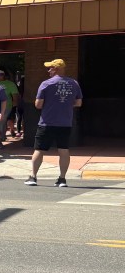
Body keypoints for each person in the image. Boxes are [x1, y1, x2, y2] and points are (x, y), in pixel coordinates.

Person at [26, 58, 83, 187]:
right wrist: (65, 104)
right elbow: (78, 103)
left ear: (56, 69)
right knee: (63, 150)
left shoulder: (46, 84)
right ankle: (62, 179)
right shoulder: (74, 83)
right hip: (65, 122)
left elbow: (38, 105)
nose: (48, 71)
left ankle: (33, 177)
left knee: (39, 150)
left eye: (50, 68)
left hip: (47, 122)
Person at [0, 70, 19, 141]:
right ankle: (0, 137)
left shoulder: (10, 84)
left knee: (2, 120)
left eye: (0, 75)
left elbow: (15, 95)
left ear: (4, 75)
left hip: (7, 106)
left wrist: (14, 105)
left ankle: (1, 138)